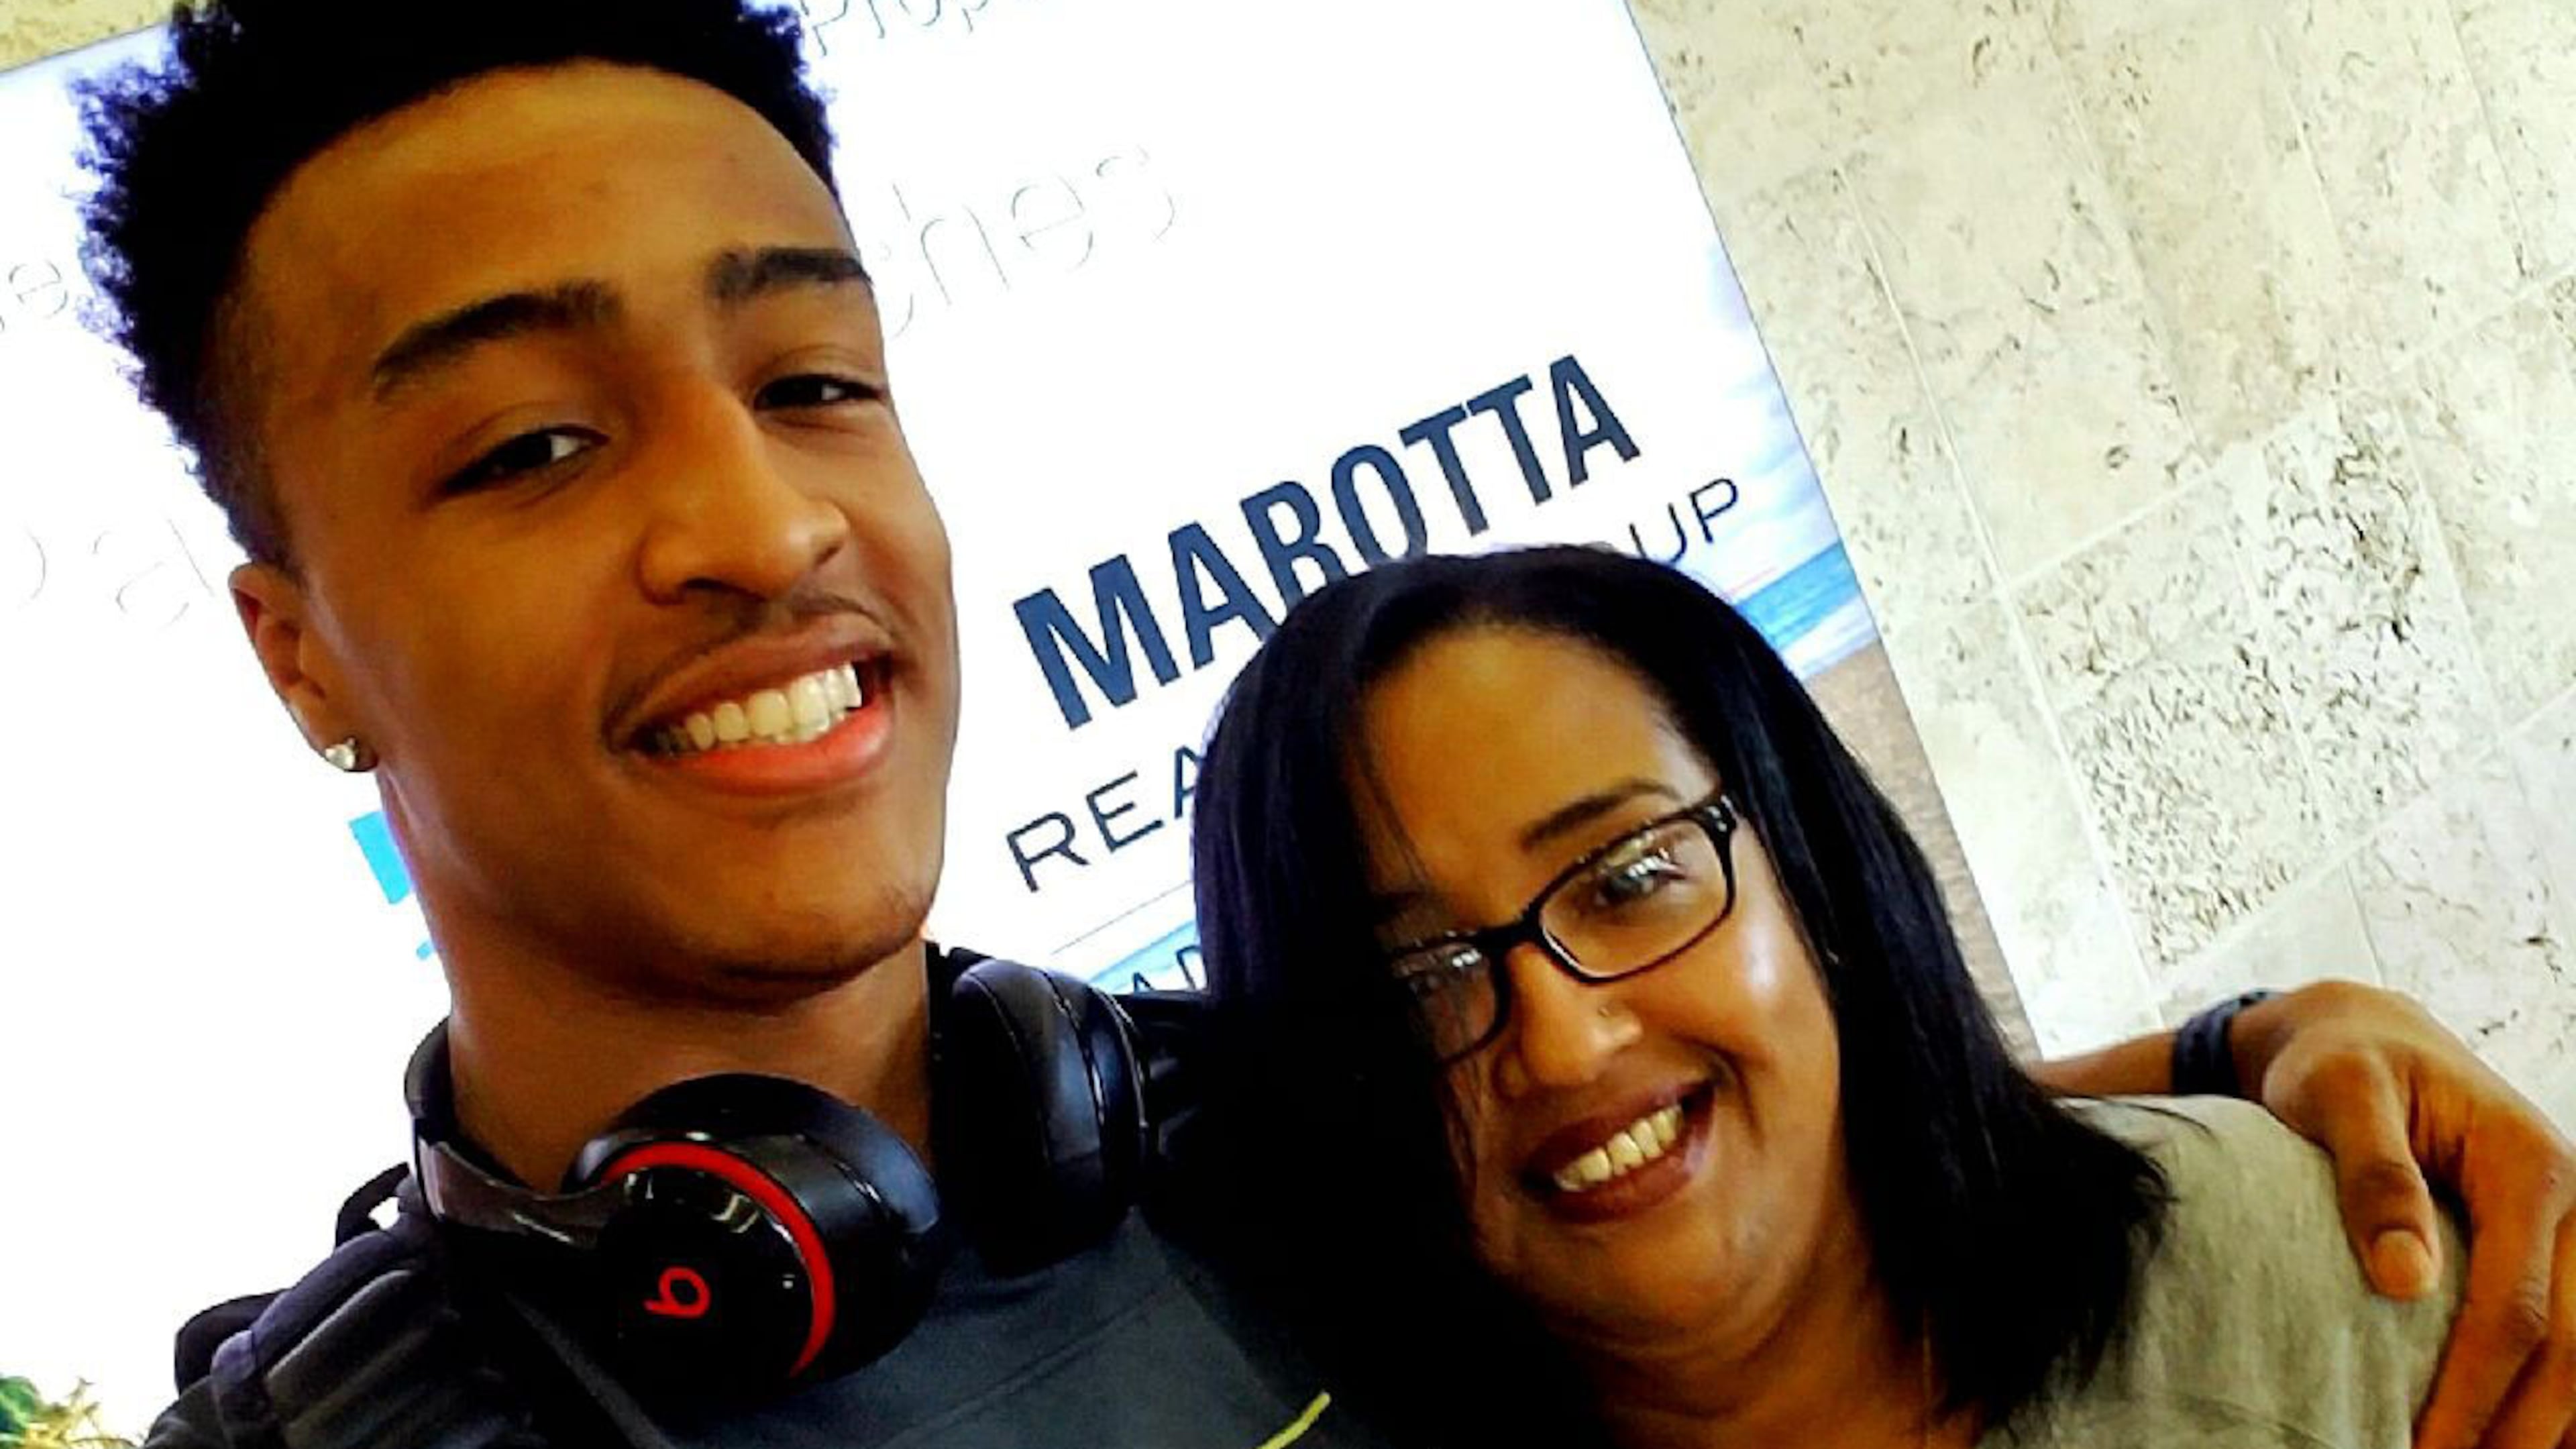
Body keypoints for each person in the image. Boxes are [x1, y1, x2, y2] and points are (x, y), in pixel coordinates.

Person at [66, 2, 2576, 1445]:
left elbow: (1761, 1148)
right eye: (528, 444)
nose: (756, 521)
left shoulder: (1276, 1121)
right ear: (297, 647)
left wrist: (2263, 1046)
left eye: (813, 374)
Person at [1184, 545, 2570, 1449]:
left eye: (1630, 875)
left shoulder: (2303, 1279)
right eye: (1416, 977)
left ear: (1818, 882)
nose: (1559, 1037)